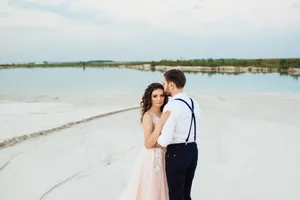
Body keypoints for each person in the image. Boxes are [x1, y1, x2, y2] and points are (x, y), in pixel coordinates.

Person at [118, 82, 171, 200]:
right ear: (149, 98)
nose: (159, 99)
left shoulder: (164, 112)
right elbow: (148, 144)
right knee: (151, 190)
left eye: (162, 95)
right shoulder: (148, 116)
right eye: (155, 96)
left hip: (164, 156)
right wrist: (160, 124)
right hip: (153, 158)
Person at [155, 69, 201, 200]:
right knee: (186, 194)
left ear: (171, 85)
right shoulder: (194, 103)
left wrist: (153, 143)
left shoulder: (172, 105)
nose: (163, 88)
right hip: (193, 150)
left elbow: (166, 138)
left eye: (164, 84)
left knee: (175, 195)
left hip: (177, 152)